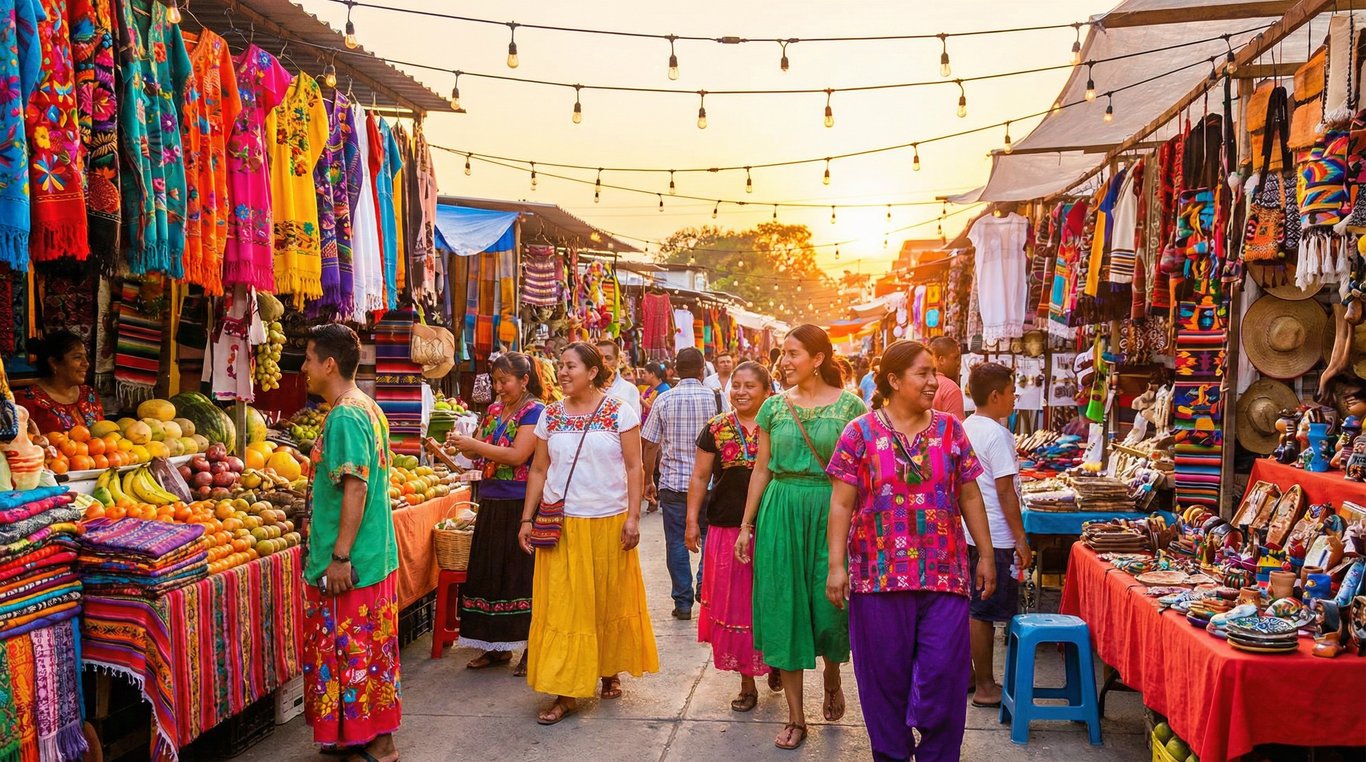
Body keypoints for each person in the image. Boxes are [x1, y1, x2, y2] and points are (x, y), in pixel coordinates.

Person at [824, 339, 997, 762]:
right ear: (894, 380)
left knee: (944, 675)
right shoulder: (859, 432)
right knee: (884, 680)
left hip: (944, 572)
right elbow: (842, 503)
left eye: (934, 373)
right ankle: (892, 754)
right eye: (923, 373)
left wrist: (987, 554)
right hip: (877, 576)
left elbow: (970, 496)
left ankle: (939, 754)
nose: (934, 382)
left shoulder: (951, 429)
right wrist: (835, 565)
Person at [734, 324, 865, 751]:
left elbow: (860, 474)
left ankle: (831, 675)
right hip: (781, 510)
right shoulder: (773, 407)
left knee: (831, 609)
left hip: (832, 510)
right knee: (783, 609)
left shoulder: (851, 407)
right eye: (783, 354)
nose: (784, 362)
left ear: (818, 358)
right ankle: (796, 717)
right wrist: (746, 525)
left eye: (793, 354)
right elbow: (762, 469)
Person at [519, 342, 658, 725]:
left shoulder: (620, 412)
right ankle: (566, 691)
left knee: (607, 599)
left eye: (571, 367)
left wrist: (633, 517)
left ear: (593, 372)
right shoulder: (551, 415)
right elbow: (538, 471)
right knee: (566, 608)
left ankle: (608, 668)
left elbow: (635, 468)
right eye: (560, 366)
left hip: (608, 522)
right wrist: (526, 520)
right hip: (561, 525)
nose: (563, 373)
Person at [299, 324, 401, 762]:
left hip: (351, 561)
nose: (301, 368)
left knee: (356, 650)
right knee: (362, 650)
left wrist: (339, 556)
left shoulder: (345, 414)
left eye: (306, 359)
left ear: (329, 364)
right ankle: (355, 734)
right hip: (371, 555)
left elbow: (355, 488)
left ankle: (379, 739)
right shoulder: (366, 407)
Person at [446, 352, 546, 676]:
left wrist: (474, 446)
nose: (499, 388)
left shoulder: (535, 412)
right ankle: (495, 647)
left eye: (505, 381)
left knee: (520, 578)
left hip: (520, 504)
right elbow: (479, 446)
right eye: (496, 381)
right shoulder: (493, 410)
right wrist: (459, 444)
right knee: (491, 576)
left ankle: (532, 647)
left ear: (524, 380)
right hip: (491, 499)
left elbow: (518, 456)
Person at [686, 361, 776, 711]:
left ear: (767, 391)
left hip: (772, 528)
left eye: (749, 385)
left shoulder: (778, 426)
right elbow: (699, 477)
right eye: (735, 385)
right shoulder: (716, 428)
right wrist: (692, 521)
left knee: (771, 601)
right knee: (738, 607)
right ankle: (747, 681)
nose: (740, 391)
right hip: (725, 529)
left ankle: (778, 662)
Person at [962, 362, 1033, 708]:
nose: (1014, 398)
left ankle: (973, 676)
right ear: (995, 395)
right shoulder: (997, 434)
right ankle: (987, 685)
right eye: (1011, 392)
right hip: (995, 536)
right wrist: (1021, 538)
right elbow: (1005, 492)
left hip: (971, 532)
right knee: (984, 612)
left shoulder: (966, 427)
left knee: (975, 608)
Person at [643, 348, 719, 620]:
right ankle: (704, 585)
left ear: (674, 371)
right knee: (710, 536)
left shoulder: (664, 400)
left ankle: (683, 602)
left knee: (676, 542)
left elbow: (650, 443)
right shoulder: (717, 399)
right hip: (710, 484)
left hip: (673, 484)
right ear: (702, 371)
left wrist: (648, 478)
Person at [18, 331, 104, 435]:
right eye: (77, 357)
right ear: (54, 363)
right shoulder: (29, 402)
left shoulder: (89, 394)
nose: (86, 363)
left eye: (85, 357)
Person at [595, 339, 643, 419]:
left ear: (618, 361)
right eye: (599, 358)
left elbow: (634, 423)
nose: (603, 362)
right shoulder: (585, 388)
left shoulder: (629, 389)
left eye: (608, 358)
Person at [928, 336, 966, 419]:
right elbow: (956, 429)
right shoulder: (950, 388)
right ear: (941, 360)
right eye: (955, 358)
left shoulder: (921, 382)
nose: (958, 363)